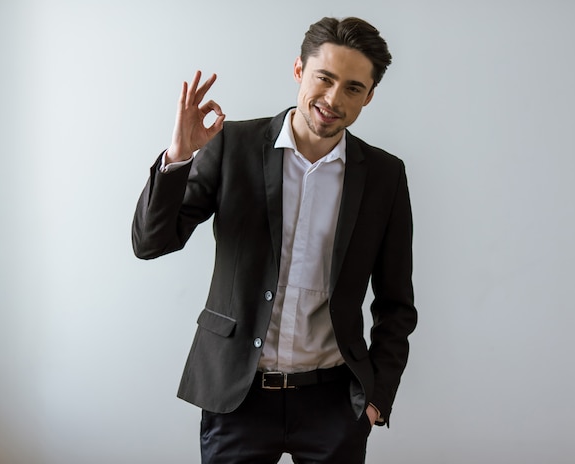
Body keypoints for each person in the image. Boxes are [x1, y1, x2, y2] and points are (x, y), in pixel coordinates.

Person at [132, 16, 417, 464]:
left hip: (333, 404)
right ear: (300, 70)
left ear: (370, 95)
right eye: (324, 78)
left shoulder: (384, 176)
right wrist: (179, 157)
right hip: (238, 395)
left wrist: (376, 400)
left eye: (353, 88)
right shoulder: (233, 146)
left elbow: (396, 302)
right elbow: (151, 242)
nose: (333, 99)